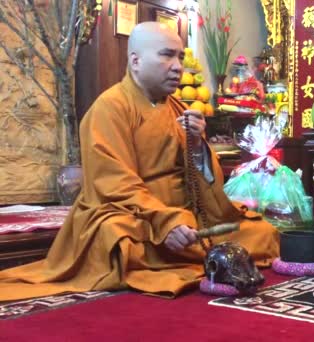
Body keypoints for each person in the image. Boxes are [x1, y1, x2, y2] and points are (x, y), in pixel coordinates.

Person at [0, 22, 279, 301]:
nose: (177, 66)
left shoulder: (179, 109)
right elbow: (114, 182)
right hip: (134, 213)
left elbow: (204, 185)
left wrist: (197, 147)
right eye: (166, 55)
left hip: (184, 215)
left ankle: (187, 254)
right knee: (117, 239)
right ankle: (186, 255)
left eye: (180, 57)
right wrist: (164, 221)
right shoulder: (109, 108)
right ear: (135, 61)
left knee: (261, 232)